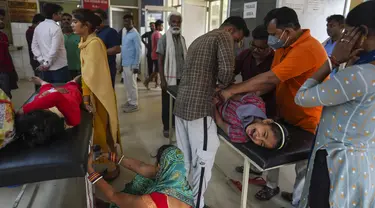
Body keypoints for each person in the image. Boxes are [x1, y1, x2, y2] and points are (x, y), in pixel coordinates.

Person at [219, 7, 326, 206]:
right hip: (284, 112)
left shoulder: (308, 48)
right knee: (271, 147)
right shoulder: (283, 48)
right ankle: (271, 186)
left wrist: (232, 91)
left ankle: (298, 201)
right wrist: (244, 96)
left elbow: (269, 76)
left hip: (307, 118)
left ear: (289, 30)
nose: (270, 40)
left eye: (273, 34)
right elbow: (271, 83)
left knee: (303, 164)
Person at [295, 1, 375, 207]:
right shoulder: (362, 70)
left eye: (347, 32)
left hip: (335, 163)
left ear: (362, 32)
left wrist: (332, 61)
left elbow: (302, 97)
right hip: (364, 163)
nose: (341, 38)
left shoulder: (359, 75)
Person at [174, 16, 249, 208]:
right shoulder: (223, 37)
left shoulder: (199, 39)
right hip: (200, 109)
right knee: (204, 158)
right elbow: (225, 72)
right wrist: (225, 86)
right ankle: (196, 204)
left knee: (185, 158)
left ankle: (181, 199)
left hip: (182, 105)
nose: (237, 44)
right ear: (231, 30)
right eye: (237, 39)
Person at [72, 8, 121, 181]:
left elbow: (91, 77)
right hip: (95, 93)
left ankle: (113, 166)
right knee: (102, 132)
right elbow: (87, 73)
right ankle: (111, 162)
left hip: (98, 96)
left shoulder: (94, 44)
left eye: (75, 22)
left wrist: (85, 98)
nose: (72, 25)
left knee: (103, 132)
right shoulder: (85, 42)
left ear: (86, 26)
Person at [88, 145, 194, 208]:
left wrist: (90, 170)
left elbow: (113, 195)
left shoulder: (151, 203)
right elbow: (140, 166)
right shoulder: (183, 186)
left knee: (140, 183)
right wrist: (110, 156)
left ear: (159, 166)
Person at [16, 76, 82, 147]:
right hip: (71, 92)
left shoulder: (42, 99)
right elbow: (55, 96)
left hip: (57, 94)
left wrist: (42, 83)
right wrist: (23, 110)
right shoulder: (72, 118)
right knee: (73, 82)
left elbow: (48, 89)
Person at [213, 92, 288, 149]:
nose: (257, 138)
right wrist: (218, 93)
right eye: (264, 134)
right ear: (267, 122)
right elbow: (232, 94)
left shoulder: (240, 136)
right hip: (222, 93)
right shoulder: (257, 103)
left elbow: (220, 123)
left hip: (213, 109)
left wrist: (212, 104)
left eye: (261, 143)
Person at [156, 12, 187, 138]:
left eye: (178, 22)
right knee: (167, 103)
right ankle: (166, 127)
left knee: (178, 103)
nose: (176, 24)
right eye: (174, 22)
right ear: (169, 23)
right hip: (168, 78)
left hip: (181, 78)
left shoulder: (182, 39)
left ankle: (175, 124)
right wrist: (162, 79)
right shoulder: (164, 39)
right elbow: (160, 60)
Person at [31, 3, 69, 83]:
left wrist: (42, 61)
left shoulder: (39, 26)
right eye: (60, 13)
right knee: (60, 91)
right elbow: (54, 50)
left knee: (49, 91)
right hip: (59, 68)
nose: (61, 15)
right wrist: (46, 64)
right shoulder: (56, 28)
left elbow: (34, 46)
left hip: (45, 68)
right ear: (54, 15)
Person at [120, 14, 142, 113]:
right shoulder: (124, 31)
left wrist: (136, 65)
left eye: (128, 21)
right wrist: (121, 63)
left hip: (132, 64)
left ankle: (134, 104)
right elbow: (124, 48)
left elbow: (138, 51)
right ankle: (130, 101)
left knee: (132, 84)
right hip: (125, 63)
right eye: (125, 21)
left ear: (133, 22)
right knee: (127, 84)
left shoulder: (135, 34)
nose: (126, 23)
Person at [94, 9, 121, 87]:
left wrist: (99, 52)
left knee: (107, 94)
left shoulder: (110, 32)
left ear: (103, 19)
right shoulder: (94, 33)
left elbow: (117, 49)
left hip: (107, 68)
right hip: (96, 68)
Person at [0, 9, 18, 99]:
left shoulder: (3, 36)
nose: (1, 21)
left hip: (5, 71)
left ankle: (8, 113)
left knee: (6, 96)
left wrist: (12, 70)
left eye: (2, 19)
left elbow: (6, 55)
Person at [26, 13, 45, 91]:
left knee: (40, 78)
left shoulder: (32, 31)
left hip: (36, 59)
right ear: (39, 22)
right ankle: (39, 94)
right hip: (36, 60)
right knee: (39, 79)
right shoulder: (32, 31)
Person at [144, 19, 163, 89]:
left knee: (157, 70)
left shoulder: (154, 33)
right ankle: (147, 81)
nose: (162, 27)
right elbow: (159, 45)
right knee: (157, 70)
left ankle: (156, 83)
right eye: (161, 26)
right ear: (158, 26)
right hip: (157, 55)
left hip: (154, 54)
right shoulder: (157, 33)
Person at [62, 13, 81, 79]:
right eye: (64, 19)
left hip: (77, 68)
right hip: (63, 68)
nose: (66, 21)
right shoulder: (58, 35)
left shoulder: (79, 35)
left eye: (68, 19)